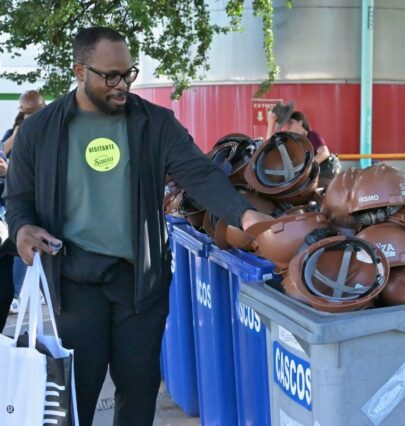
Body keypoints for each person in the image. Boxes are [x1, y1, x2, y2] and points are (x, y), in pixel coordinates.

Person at [4, 27, 269, 425]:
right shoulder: (41, 131)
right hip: (74, 283)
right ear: (79, 71)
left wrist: (245, 215)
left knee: (139, 389)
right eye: (110, 76)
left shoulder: (154, 124)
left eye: (129, 73)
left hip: (139, 284)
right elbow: (19, 197)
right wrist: (23, 228)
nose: (122, 84)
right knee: (78, 393)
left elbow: (199, 173)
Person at [0, 90, 46, 330]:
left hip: (43, 214)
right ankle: (19, 294)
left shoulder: (50, 136)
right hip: (15, 217)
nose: (29, 118)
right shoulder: (13, 136)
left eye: (33, 113)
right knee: (16, 247)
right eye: (25, 114)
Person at [267, 109, 341, 182]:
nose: (288, 125)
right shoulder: (291, 140)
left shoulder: (311, 135)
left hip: (320, 176)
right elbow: (268, 147)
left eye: (290, 122)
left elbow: (324, 153)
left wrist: (305, 168)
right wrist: (271, 125)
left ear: (300, 122)